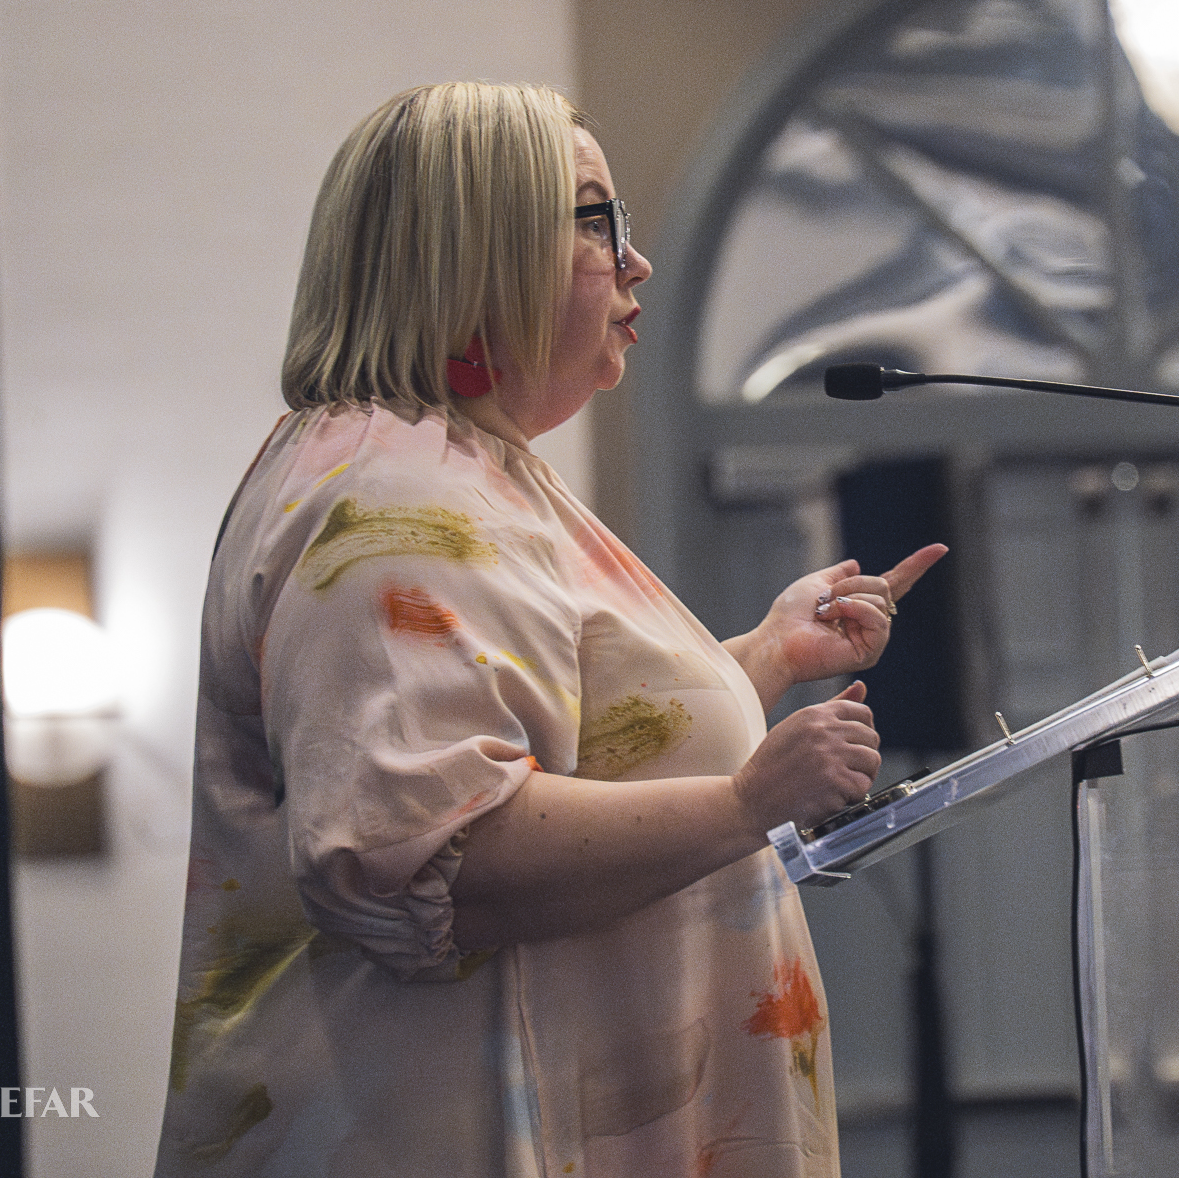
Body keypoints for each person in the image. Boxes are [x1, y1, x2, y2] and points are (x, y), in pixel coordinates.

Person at [155, 81, 945, 1177]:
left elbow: (561, 746)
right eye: (597, 221)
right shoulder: (390, 500)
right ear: (475, 248)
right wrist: (744, 803)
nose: (636, 263)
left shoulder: (463, 468)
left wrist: (765, 656)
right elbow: (428, 859)